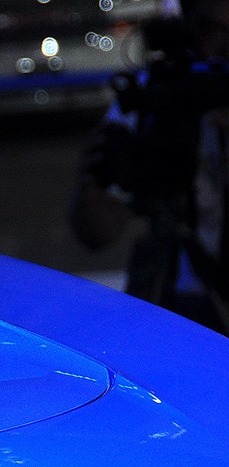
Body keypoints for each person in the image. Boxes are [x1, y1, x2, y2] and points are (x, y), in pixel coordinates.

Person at [70, 0, 229, 326]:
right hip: (184, 298)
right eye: (212, 29)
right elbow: (97, 231)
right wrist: (93, 186)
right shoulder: (158, 94)